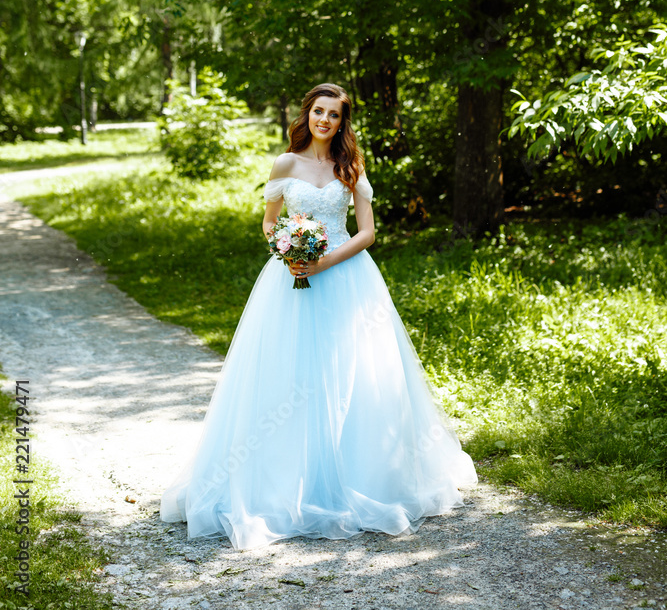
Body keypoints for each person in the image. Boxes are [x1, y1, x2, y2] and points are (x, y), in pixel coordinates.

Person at [160, 82, 477, 549]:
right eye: (318, 111)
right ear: (306, 114)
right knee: (288, 373)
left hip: (347, 277)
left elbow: (367, 233)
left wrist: (324, 260)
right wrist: (284, 246)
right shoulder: (286, 164)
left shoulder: (350, 166)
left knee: (354, 373)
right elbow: (269, 220)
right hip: (289, 280)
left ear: (342, 122)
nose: (324, 120)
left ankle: (360, 475)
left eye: (334, 115)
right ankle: (283, 483)